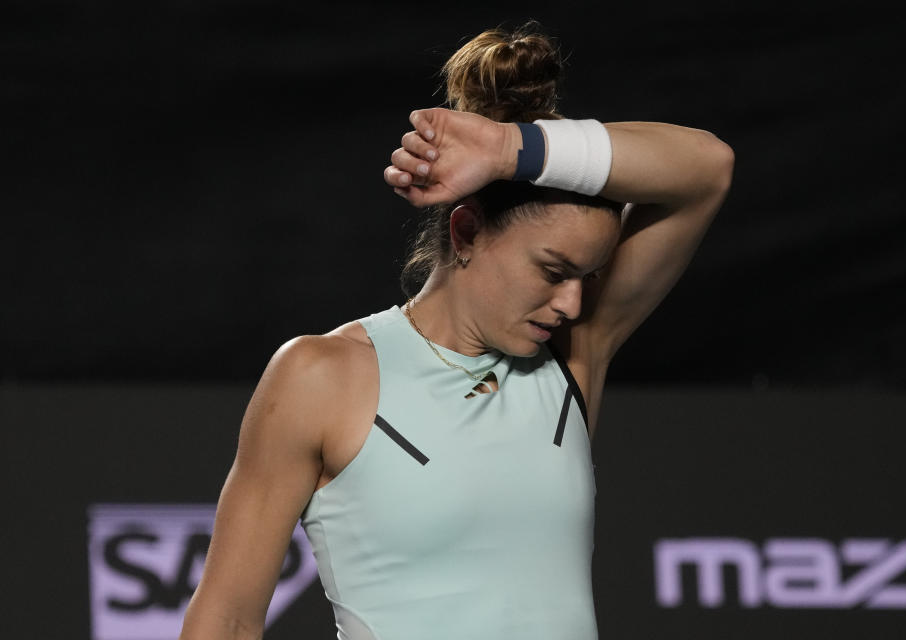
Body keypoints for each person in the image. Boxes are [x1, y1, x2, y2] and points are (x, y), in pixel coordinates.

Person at [179, 23, 733, 640]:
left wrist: (508, 149)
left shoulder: (574, 359)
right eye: (554, 271)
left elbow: (707, 168)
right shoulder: (320, 374)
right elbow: (226, 620)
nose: (575, 302)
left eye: (588, 277)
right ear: (467, 233)